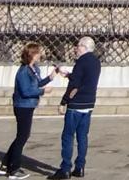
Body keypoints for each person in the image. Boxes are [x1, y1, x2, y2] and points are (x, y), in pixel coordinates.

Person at [0, 42, 54, 179]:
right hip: (22, 106)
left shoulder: (34, 69)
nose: (40, 55)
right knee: (23, 136)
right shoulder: (23, 71)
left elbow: (37, 83)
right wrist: (43, 91)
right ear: (32, 55)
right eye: (38, 52)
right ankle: (14, 169)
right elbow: (26, 91)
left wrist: (49, 78)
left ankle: (5, 164)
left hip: (29, 105)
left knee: (22, 136)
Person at [47, 36, 101, 180]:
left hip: (76, 104)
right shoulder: (96, 62)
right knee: (83, 137)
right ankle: (80, 166)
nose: (75, 49)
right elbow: (84, 79)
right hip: (89, 103)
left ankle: (65, 168)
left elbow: (75, 86)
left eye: (78, 46)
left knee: (68, 136)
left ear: (84, 47)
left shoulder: (81, 62)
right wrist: (69, 75)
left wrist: (64, 101)